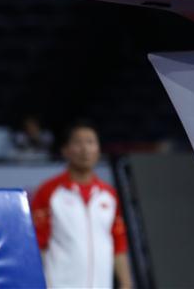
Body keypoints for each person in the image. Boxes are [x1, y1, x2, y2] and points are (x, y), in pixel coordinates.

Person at [30, 120, 132, 289]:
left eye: (91, 142)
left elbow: (118, 244)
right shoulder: (48, 192)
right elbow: (37, 245)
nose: (85, 149)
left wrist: (126, 283)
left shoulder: (109, 195)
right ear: (65, 150)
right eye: (78, 143)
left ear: (98, 149)